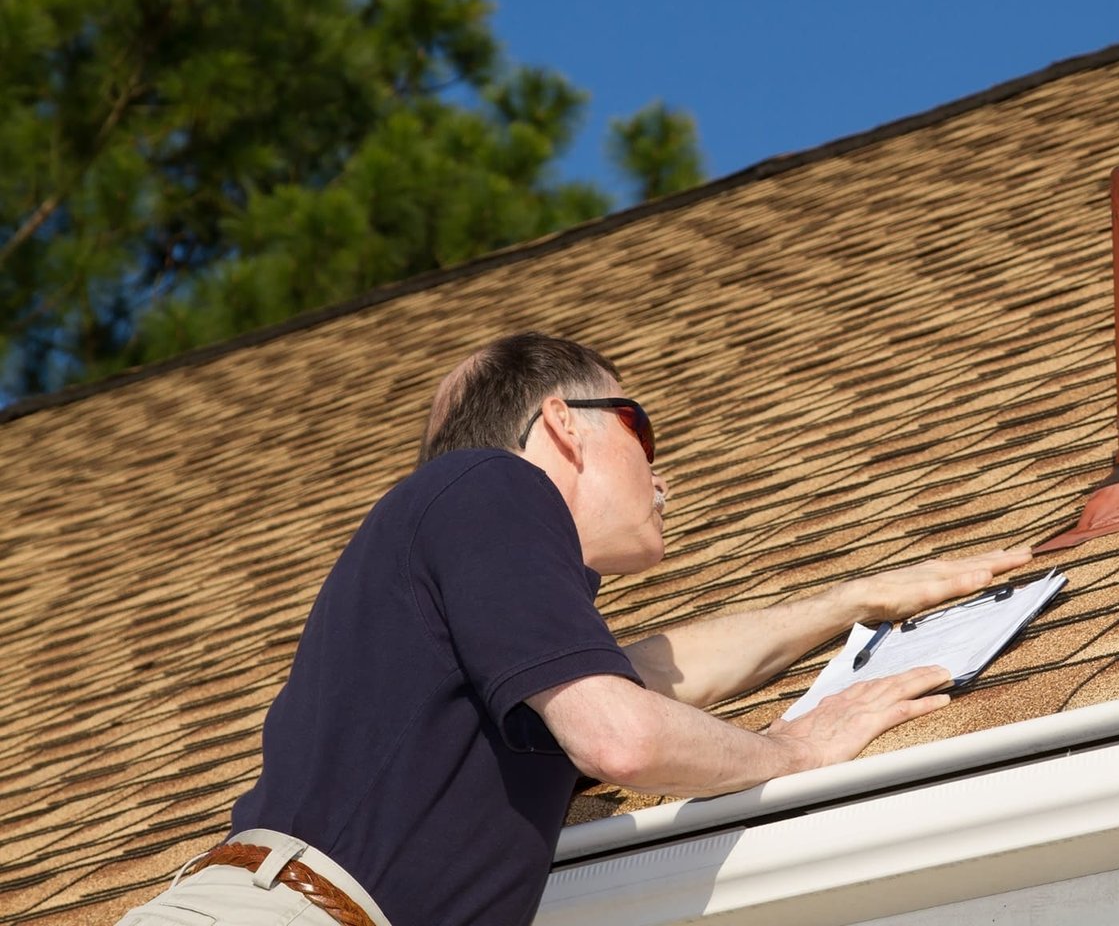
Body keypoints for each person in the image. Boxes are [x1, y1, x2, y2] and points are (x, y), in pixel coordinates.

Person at [117, 333, 1031, 926]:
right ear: (559, 423)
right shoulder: (489, 483)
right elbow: (623, 734)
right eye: (641, 428)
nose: (663, 478)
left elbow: (649, 679)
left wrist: (859, 600)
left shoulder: (468, 612)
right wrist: (792, 751)